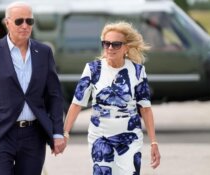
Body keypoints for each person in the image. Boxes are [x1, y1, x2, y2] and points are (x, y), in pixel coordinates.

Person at [0, 2, 65, 175]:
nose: (25, 26)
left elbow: (54, 95)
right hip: (0, 134)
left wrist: (58, 132)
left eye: (30, 21)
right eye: (19, 21)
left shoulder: (44, 52)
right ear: (7, 23)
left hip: (34, 136)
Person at [63, 21, 161, 175]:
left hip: (130, 136)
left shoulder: (137, 71)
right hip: (100, 136)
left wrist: (154, 142)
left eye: (116, 44)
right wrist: (65, 133)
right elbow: (76, 103)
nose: (110, 48)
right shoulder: (93, 69)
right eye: (106, 43)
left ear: (126, 47)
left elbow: (145, 108)